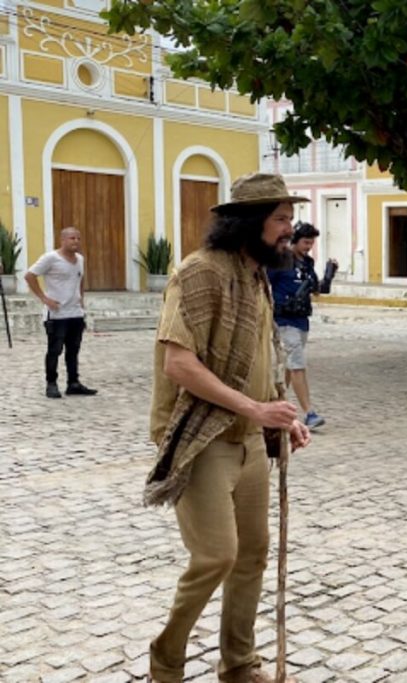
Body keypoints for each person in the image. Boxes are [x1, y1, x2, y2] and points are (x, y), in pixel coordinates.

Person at [145, 173, 311, 683]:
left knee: (253, 555)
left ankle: (239, 664)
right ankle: (166, 661)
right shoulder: (199, 274)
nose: (290, 228)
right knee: (217, 555)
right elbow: (179, 364)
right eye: (280, 219)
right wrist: (255, 410)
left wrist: (283, 416)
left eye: (288, 218)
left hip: (252, 443)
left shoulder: (255, 274)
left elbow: (263, 359)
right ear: (249, 221)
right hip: (202, 439)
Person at [267, 221, 337, 430]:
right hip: (284, 320)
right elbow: (262, 282)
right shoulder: (279, 260)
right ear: (295, 240)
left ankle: (276, 404)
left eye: (311, 243)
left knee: (289, 366)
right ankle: (309, 413)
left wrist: (330, 274)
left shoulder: (307, 263)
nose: (308, 246)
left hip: (301, 320)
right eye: (306, 242)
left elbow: (318, 289)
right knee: (297, 365)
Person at [24, 226, 98, 398]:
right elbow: (30, 276)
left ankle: (73, 383)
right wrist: (44, 298)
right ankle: (51, 383)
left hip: (75, 313)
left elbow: (80, 278)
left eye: (78, 238)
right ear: (63, 240)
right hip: (56, 314)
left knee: (73, 350)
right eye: (72, 238)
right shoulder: (51, 258)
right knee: (55, 350)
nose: (76, 242)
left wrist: (81, 299)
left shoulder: (80, 259)